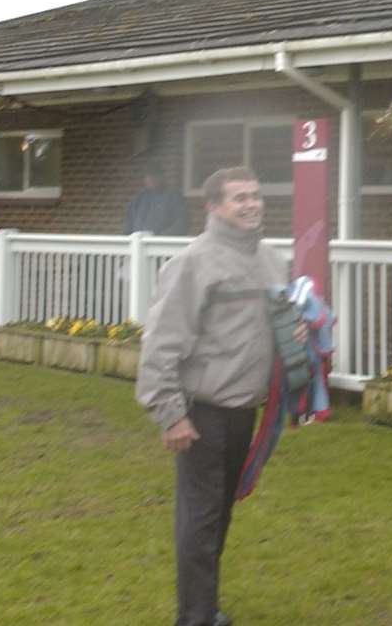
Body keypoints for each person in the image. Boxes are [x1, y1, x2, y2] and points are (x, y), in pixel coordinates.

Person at [135, 166, 288, 626]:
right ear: (213, 207)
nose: (251, 204)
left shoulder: (272, 261)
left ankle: (204, 607)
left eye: (256, 195)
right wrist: (170, 414)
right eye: (239, 197)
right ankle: (196, 617)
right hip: (202, 413)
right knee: (200, 521)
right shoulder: (193, 263)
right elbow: (161, 343)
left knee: (218, 516)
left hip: (245, 413)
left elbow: (281, 327)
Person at [125, 169, 187, 236]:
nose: (150, 179)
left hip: (161, 243)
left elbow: (181, 224)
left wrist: (158, 236)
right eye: (148, 176)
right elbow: (128, 222)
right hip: (137, 243)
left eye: (154, 176)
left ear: (162, 177)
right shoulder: (139, 198)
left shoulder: (174, 197)